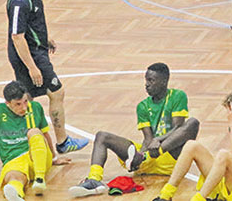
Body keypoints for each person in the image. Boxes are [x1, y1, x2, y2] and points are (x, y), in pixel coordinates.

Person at [67, 63, 200, 197]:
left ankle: (145, 156)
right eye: (146, 80)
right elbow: (148, 138)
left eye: (151, 80)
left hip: (170, 157)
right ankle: (94, 180)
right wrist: (140, 156)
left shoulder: (177, 96)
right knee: (102, 136)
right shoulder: (142, 106)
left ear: (164, 81)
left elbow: (178, 128)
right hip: (149, 157)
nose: (146, 84)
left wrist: (158, 140)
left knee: (193, 123)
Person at [5, 0, 89, 154]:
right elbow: (17, 37)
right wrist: (32, 67)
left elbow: (29, 24)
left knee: (29, 99)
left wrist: (44, 38)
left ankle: (35, 143)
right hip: (29, 55)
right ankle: (58, 143)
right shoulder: (20, 0)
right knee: (48, 94)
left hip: (37, 49)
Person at [152, 87, 232, 201]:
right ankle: (166, 195)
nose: (228, 115)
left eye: (230, 110)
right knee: (191, 146)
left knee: (224, 155)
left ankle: (199, 199)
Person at [0, 81, 70, 201]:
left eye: (25, 101)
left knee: (34, 132)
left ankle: (39, 179)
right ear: (7, 103)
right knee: (13, 179)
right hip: (13, 160)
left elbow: (45, 135)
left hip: (38, 159)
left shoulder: (35, 108)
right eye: (18, 104)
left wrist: (53, 158)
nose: (24, 107)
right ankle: (16, 195)